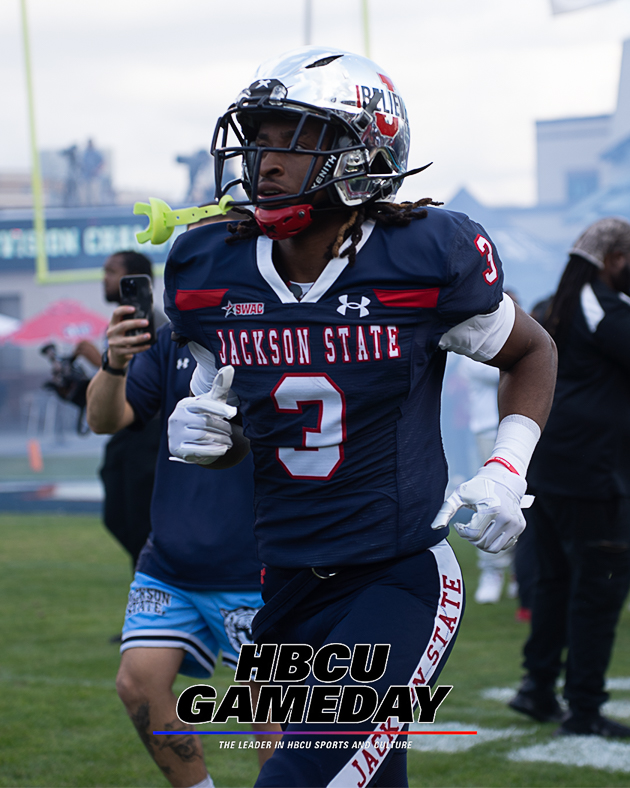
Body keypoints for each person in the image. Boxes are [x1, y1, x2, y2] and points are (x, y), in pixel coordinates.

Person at [163, 46, 557, 787]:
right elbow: (237, 424)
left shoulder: (422, 255)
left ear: (360, 151)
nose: (263, 158)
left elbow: (532, 353)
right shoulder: (209, 266)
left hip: (396, 577)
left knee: (298, 780)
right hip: (282, 579)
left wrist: (507, 468)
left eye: (290, 136)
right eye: (258, 135)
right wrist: (213, 440)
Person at [86, 304, 281, 788]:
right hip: (170, 562)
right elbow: (104, 419)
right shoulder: (172, 336)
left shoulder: (286, 330)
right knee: (137, 684)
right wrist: (113, 362)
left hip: (261, 567)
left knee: (272, 716)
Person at [508, 217, 630, 738]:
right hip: (594, 475)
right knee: (597, 589)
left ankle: (537, 688)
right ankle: (583, 707)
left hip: (551, 468)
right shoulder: (607, 313)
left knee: (555, 582)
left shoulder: (546, 310)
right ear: (612, 262)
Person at [75, 250, 166, 571]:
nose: (105, 278)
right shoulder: (121, 324)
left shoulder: (154, 324)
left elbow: (146, 389)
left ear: (134, 281)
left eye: (112, 272)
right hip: (126, 438)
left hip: (147, 438)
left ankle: (151, 588)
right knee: (119, 518)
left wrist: (99, 361)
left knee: (140, 528)